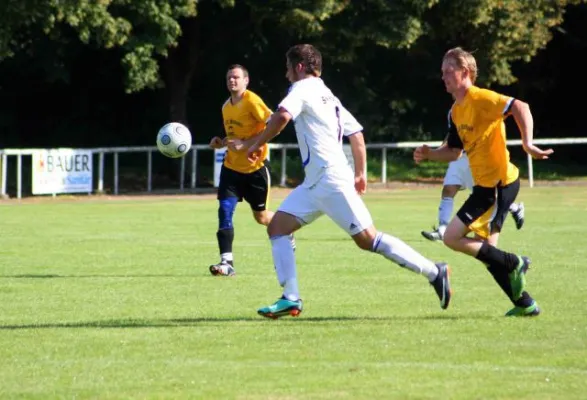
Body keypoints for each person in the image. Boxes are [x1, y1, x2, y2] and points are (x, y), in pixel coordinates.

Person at [245, 44, 452, 319]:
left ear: (299, 67)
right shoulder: (329, 96)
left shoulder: (302, 89)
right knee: (277, 228)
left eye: (287, 67)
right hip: (315, 184)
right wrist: (361, 172)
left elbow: (282, 117)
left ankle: (434, 271)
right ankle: (290, 298)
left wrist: (255, 144)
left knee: (368, 239)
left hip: (331, 181)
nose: (285, 74)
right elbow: (356, 134)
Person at [413, 47, 553, 316]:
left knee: (458, 239)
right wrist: (430, 154)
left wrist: (528, 142)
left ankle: (515, 265)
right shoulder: (455, 111)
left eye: (448, 71)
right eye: (442, 72)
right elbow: (453, 152)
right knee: (486, 252)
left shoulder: (481, 98)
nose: (443, 77)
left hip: (500, 185)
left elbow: (519, 107)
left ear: (465, 72)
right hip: (485, 189)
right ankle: (525, 303)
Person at [208, 64, 293, 277]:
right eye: (229, 77)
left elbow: (273, 124)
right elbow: (233, 137)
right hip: (231, 169)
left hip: (255, 170)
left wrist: (248, 145)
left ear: (246, 80)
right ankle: (227, 263)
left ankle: (286, 229)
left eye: (236, 77)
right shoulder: (226, 106)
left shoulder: (252, 101)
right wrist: (220, 142)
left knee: (262, 217)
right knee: (224, 211)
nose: (232, 81)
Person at [421, 153, 525, 242]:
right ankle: (442, 229)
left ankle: (514, 208)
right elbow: (450, 137)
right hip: (457, 159)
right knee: (448, 190)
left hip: (473, 158)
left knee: (486, 196)